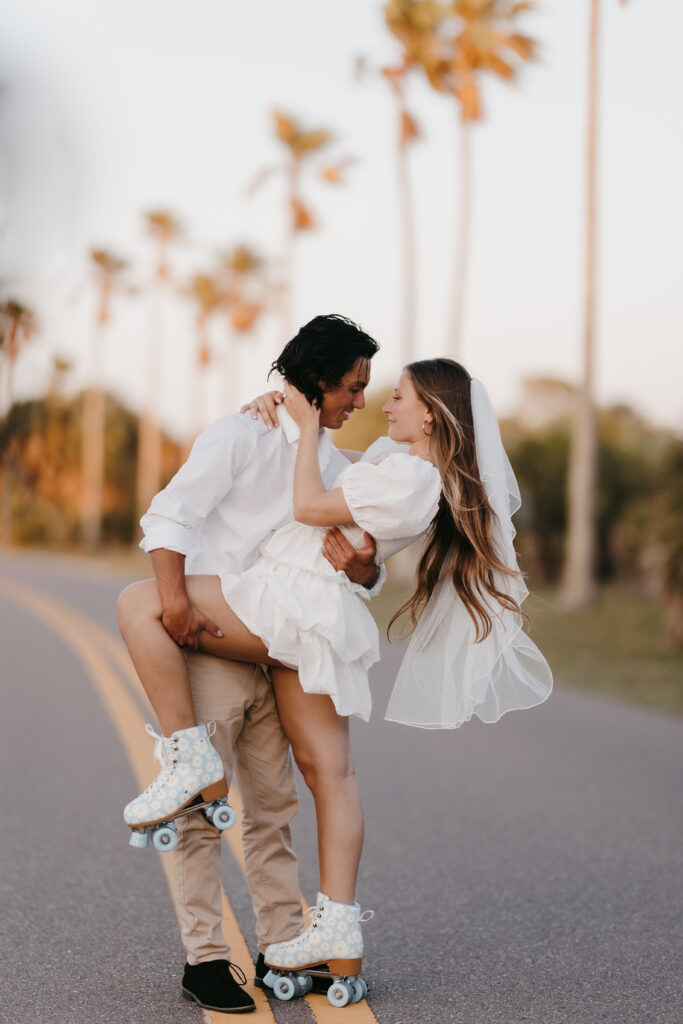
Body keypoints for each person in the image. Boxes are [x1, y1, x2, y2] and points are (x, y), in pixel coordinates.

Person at [118, 353, 553, 1006]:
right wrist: (289, 422)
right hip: (315, 617)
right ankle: (334, 937)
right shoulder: (396, 464)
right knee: (329, 776)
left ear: (430, 413)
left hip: (288, 605)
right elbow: (355, 525)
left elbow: (310, 503)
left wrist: (304, 426)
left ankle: (185, 757)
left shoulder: (410, 477)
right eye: (364, 389)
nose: (382, 403)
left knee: (136, 602)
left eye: (397, 395)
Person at [117, 314, 383, 1014]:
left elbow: (354, 571)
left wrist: (363, 571)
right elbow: (170, 515)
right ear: (318, 380)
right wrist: (173, 602)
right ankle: (205, 959)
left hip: (284, 657)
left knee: (274, 808)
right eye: (352, 387)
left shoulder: (338, 469)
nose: (358, 400)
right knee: (204, 807)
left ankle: (279, 949)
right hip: (213, 638)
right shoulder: (239, 434)